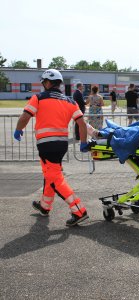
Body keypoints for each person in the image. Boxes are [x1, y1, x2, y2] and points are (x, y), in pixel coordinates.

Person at [13, 69, 89, 226]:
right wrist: (83, 142)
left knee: (55, 180)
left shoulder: (39, 98)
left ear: (47, 83)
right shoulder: (70, 101)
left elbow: (25, 116)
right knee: (51, 175)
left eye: (43, 82)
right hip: (61, 145)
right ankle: (45, 206)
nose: (43, 85)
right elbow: (81, 123)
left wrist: (18, 129)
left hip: (46, 145)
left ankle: (79, 211)